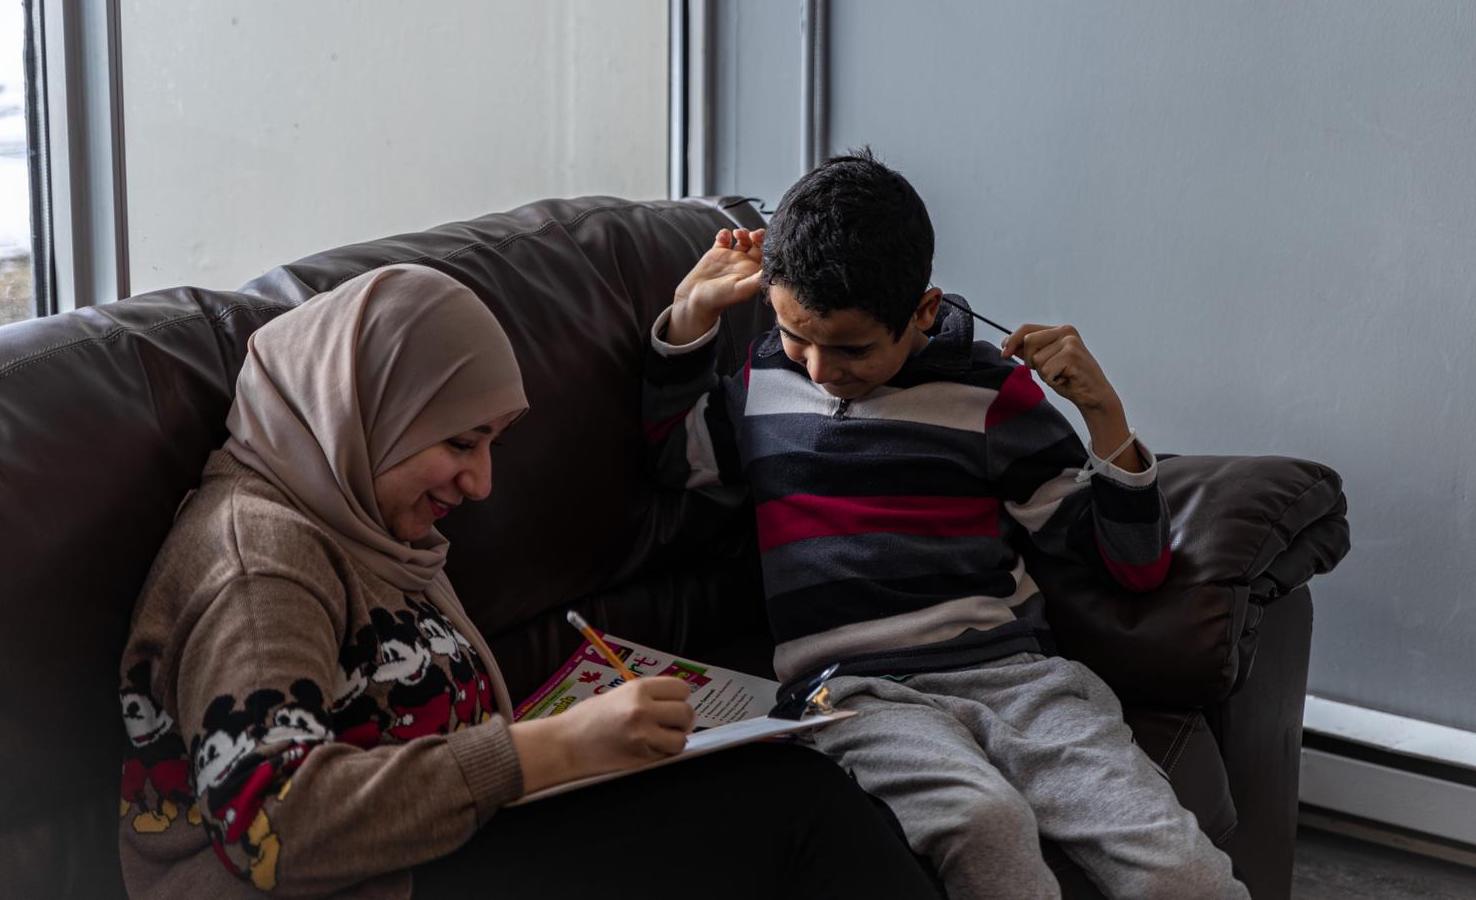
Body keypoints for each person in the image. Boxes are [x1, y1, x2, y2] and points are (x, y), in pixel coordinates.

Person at [116, 263, 941, 898]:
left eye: (491, 446)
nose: (480, 485)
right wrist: (550, 749)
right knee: (793, 812)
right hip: (366, 885)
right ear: (367, 412)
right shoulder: (260, 560)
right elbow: (270, 819)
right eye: (460, 443)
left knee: (797, 791)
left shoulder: (364, 520)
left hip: (447, 853)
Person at [641, 149, 1249, 899]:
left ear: (922, 312)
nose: (820, 369)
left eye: (853, 348)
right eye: (797, 334)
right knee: (982, 821)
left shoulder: (992, 398)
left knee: (1180, 872)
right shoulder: (763, 383)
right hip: (852, 693)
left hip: (1018, 681)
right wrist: (687, 322)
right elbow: (675, 465)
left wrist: (1106, 419)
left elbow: (1133, 566)